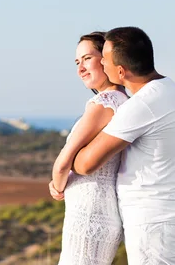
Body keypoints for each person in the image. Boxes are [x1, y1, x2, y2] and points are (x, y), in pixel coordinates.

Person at [70, 26, 175, 264]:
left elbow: (86, 164)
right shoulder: (171, 89)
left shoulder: (142, 105)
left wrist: (71, 156)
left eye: (104, 61)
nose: (102, 66)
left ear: (120, 71)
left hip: (155, 223)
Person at [50, 31, 129, 265]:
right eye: (77, 62)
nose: (80, 68)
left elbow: (64, 161)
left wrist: (57, 184)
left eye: (87, 59)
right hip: (100, 211)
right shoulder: (123, 101)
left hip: (89, 213)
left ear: (107, 58)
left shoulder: (104, 103)